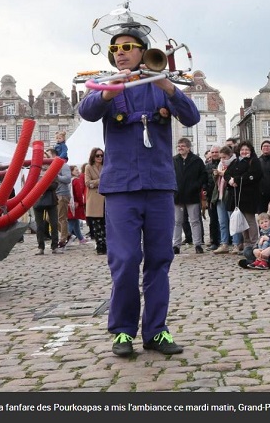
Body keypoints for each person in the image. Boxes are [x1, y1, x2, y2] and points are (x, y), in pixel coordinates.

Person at [79, 23, 199, 355]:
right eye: (115, 49)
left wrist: (167, 86)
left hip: (159, 185)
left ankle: (156, 331)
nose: (121, 54)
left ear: (143, 51)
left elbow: (191, 117)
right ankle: (122, 331)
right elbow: (87, 112)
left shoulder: (160, 84)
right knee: (126, 259)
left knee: (160, 258)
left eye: (128, 47)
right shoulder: (107, 84)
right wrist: (108, 91)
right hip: (120, 188)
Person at [224, 140, 263, 249]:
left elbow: (253, 175)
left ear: (250, 150)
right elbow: (227, 174)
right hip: (237, 196)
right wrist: (230, 180)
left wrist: (236, 179)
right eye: (242, 150)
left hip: (249, 196)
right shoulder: (235, 161)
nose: (244, 152)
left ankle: (254, 242)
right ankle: (246, 243)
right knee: (242, 221)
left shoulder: (253, 161)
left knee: (250, 220)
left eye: (246, 149)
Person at [172, 137, 207, 255]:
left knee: (195, 221)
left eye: (182, 146)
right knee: (177, 221)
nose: (180, 148)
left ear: (188, 147)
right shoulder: (174, 160)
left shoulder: (196, 160)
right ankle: (175, 245)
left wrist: (196, 186)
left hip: (192, 195)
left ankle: (198, 244)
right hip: (177, 196)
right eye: (178, 146)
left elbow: (203, 176)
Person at [32, 151, 62, 255]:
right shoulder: (34, 170)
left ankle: (55, 246)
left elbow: (55, 185)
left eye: (45, 157)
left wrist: (41, 186)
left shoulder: (52, 170)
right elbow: (30, 184)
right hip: (37, 200)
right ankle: (41, 247)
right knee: (39, 226)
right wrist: (44, 185)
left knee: (54, 224)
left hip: (51, 199)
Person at [212, 145, 235, 254]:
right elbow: (216, 183)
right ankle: (224, 243)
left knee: (233, 221)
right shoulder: (220, 165)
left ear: (229, 155)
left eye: (224, 157)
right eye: (221, 157)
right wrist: (216, 175)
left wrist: (223, 174)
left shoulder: (234, 163)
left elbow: (232, 177)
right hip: (219, 196)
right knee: (222, 222)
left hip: (230, 196)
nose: (222, 159)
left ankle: (236, 243)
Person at [84, 147, 106, 255]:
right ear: (93, 156)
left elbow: (108, 179)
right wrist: (101, 181)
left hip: (104, 198)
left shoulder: (105, 166)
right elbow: (88, 183)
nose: (100, 157)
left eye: (101, 155)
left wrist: (95, 183)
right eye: (97, 155)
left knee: (105, 224)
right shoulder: (88, 167)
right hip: (94, 199)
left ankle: (106, 245)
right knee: (97, 225)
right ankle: (99, 246)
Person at [49, 148, 72, 249]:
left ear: (54, 155)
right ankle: (67, 234)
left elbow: (67, 179)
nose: (46, 158)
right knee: (49, 218)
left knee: (61, 218)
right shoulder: (49, 166)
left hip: (62, 194)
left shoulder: (63, 165)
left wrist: (56, 176)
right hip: (53, 194)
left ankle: (63, 240)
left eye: (48, 155)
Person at [203, 145, 221, 252]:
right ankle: (214, 241)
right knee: (213, 219)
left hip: (222, 195)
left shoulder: (223, 164)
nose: (214, 154)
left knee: (223, 220)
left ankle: (225, 240)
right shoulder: (208, 166)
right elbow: (204, 180)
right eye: (213, 152)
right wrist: (204, 188)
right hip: (211, 196)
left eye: (216, 152)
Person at [66, 164, 88, 245]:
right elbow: (78, 193)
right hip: (75, 204)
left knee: (76, 222)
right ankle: (65, 239)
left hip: (69, 203)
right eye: (76, 170)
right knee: (72, 221)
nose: (78, 171)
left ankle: (81, 238)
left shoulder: (68, 181)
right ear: (71, 172)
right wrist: (80, 202)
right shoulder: (76, 180)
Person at [258, 140, 270, 213]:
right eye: (264, 146)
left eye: (268, 146)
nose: (266, 147)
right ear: (261, 148)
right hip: (261, 193)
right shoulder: (258, 161)